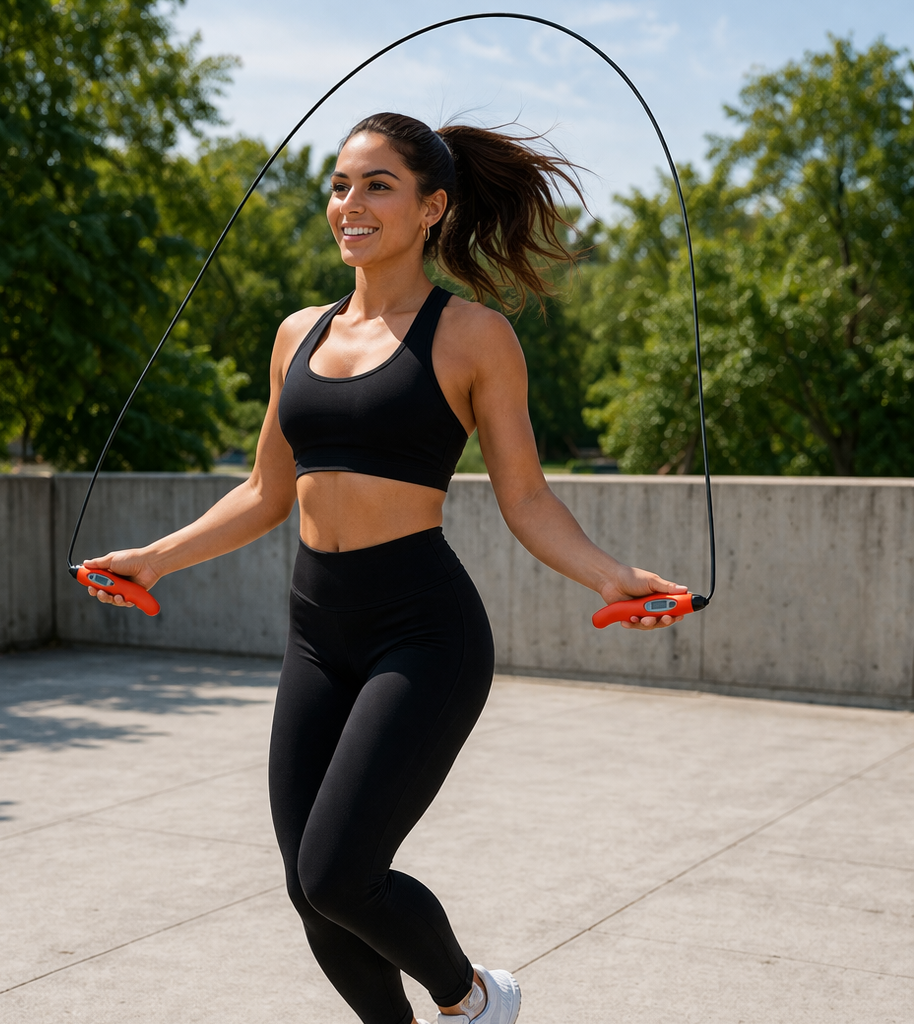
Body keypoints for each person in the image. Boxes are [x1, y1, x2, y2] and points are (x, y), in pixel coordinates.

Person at [83, 112, 686, 1024]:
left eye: (376, 185)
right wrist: (155, 560)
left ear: (432, 208)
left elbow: (525, 498)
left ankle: (474, 999)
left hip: (423, 632)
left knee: (339, 872)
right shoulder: (299, 334)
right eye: (337, 185)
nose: (348, 204)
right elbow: (263, 490)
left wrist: (606, 574)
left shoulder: (474, 336)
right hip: (317, 630)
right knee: (309, 890)